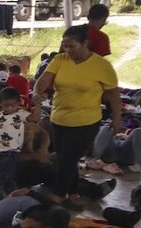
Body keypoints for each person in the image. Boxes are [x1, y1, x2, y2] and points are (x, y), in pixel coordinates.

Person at [34, 25, 121, 210]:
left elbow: (113, 94)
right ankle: (73, 195)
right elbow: (44, 80)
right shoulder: (60, 60)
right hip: (59, 120)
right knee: (68, 159)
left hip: (86, 122)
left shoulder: (102, 66)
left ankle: (58, 197)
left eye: (71, 46)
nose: (67, 50)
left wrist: (116, 118)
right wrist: (37, 92)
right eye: (64, 46)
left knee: (66, 159)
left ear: (85, 43)